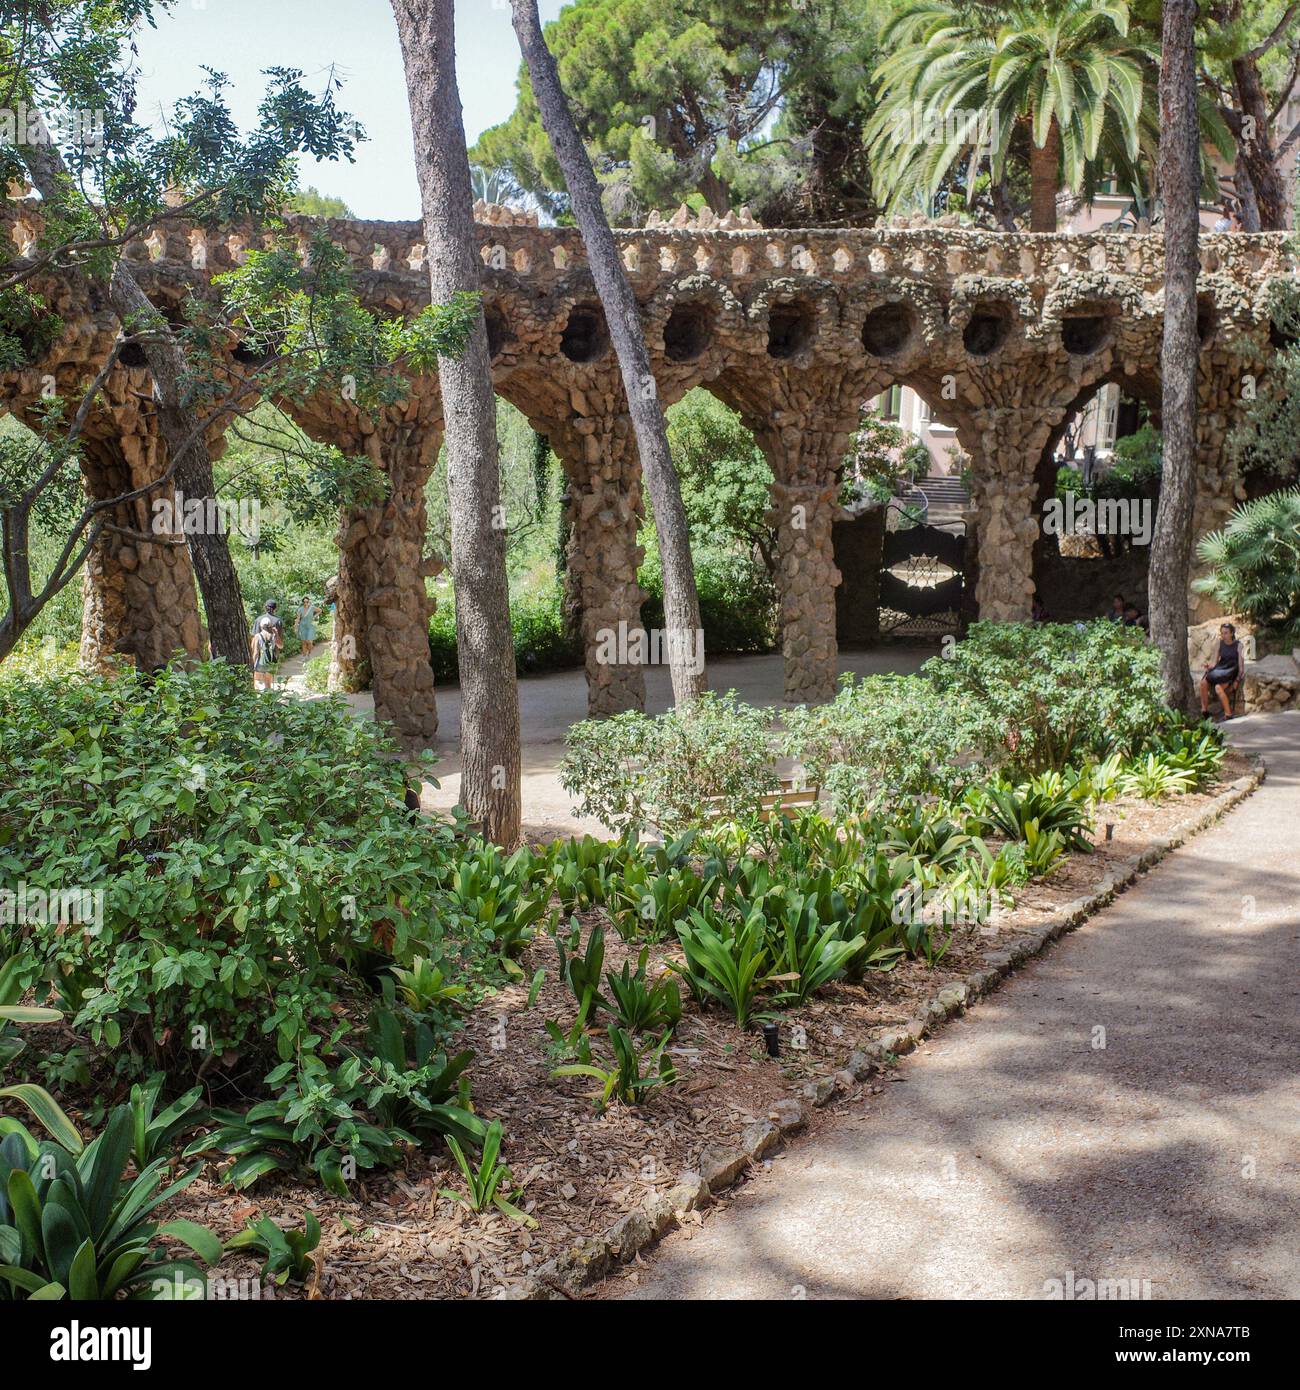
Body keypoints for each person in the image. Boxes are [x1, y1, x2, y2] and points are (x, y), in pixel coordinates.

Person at [1200, 622, 1244, 721]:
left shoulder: (1239, 645)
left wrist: (1237, 680)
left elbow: (1241, 667)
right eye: (1222, 633)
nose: (1223, 635)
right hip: (1221, 669)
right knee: (1203, 682)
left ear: (1232, 633)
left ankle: (1228, 714)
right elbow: (1214, 663)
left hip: (1230, 671)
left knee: (1218, 688)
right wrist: (1209, 666)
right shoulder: (1219, 643)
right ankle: (1204, 711)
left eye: (1226, 633)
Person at [250, 600, 284, 691]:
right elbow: (280, 641)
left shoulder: (258, 620)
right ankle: (268, 700)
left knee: (257, 681)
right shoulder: (278, 621)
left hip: (259, 658)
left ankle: (260, 699)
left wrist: (252, 661)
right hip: (273, 656)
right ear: (275, 608)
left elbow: (254, 639)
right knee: (268, 681)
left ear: (265, 607)